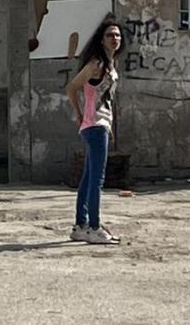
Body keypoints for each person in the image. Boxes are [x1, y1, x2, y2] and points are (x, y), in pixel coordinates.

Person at [65, 16, 125, 245]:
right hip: (94, 125)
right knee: (96, 180)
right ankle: (94, 227)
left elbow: (107, 99)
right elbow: (71, 87)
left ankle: (80, 225)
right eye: (110, 35)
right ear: (101, 40)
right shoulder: (96, 64)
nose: (114, 39)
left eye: (117, 35)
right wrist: (80, 116)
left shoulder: (110, 64)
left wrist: (109, 126)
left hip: (101, 125)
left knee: (88, 178)